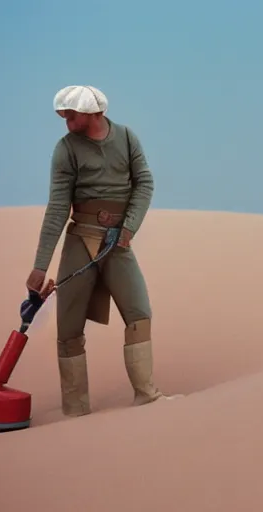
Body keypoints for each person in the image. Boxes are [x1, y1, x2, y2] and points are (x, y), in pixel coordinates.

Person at [26, 85, 180, 417]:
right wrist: (40, 266)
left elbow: (144, 183)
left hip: (117, 242)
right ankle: (75, 409)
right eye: (63, 114)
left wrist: (129, 227)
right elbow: (57, 208)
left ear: (94, 113)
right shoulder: (65, 149)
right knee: (68, 328)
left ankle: (147, 395)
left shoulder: (126, 138)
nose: (65, 120)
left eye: (71, 114)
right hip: (80, 238)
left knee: (139, 312)